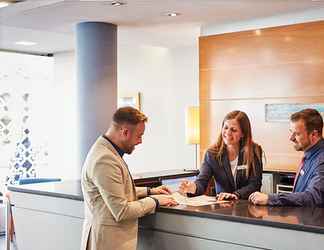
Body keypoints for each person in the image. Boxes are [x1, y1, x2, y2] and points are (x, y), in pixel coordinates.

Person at [80, 106, 177, 250]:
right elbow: (122, 211)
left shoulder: (106, 150)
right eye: (139, 136)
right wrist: (155, 201)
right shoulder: (104, 159)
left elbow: (115, 191)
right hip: (106, 243)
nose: (140, 141)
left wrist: (150, 191)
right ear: (125, 132)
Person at [179, 110, 263, 200]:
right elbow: (202, 182)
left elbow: (255, 184)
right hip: (222, 206)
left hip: (247, 207)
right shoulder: (212, 154)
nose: (228, 133)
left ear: (243, 133)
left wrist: (236, 195)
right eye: (225, 128)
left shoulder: (254, 151)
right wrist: (193, 188)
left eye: (233, 130)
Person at [249, 108, 324, 207]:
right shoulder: (310, 155)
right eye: (291, 132)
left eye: (297, 134)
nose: (291, 138)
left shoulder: (321, 161)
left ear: (314, 134)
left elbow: (313, 197)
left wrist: (270, 198)